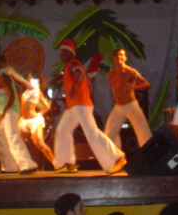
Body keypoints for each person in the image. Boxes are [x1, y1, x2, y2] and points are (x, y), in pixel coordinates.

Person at [53, 39, 127, 175]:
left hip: (80, 105)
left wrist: (74, 87)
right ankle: (67, 163)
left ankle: (116, 159)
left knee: (92, 133)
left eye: (66, 51)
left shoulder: (73, 63)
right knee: (62, 131)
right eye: (62, 51)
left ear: (72, 53)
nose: (63, 53)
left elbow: (80, 75)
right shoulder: (70, 65)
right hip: (73, 107)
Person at [0, 53, 38, 174]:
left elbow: (11, 95)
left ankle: (28, 165)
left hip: (9, 110)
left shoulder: (2, 77)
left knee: (12, 137)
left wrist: (5, 111)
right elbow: (19, 90)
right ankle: (9, 167)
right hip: (4, 111)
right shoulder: (0, 76)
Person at [104, 48, 152, 149]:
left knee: (143, 133)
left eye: (122, 55)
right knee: (109, 134)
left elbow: (146, 84)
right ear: (114, 58)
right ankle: (115, 156)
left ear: (125, 58)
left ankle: (149, 154)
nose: (119, 57)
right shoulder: (111, 73)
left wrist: (133, 87)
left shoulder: (130, 71)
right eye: (117, 55)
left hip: (131, 105)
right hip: (118, 107)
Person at [18, 70, 57, 169]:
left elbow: (47, 106)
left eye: (30, 78)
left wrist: (39, 114)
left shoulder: (36, 91)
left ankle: (56, 165)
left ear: (35, 80)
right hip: (23, 121)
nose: (28, 79)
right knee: (16, 142)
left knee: (39, 144)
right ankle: (19, 166)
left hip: (34, 121)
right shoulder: (27, 91)